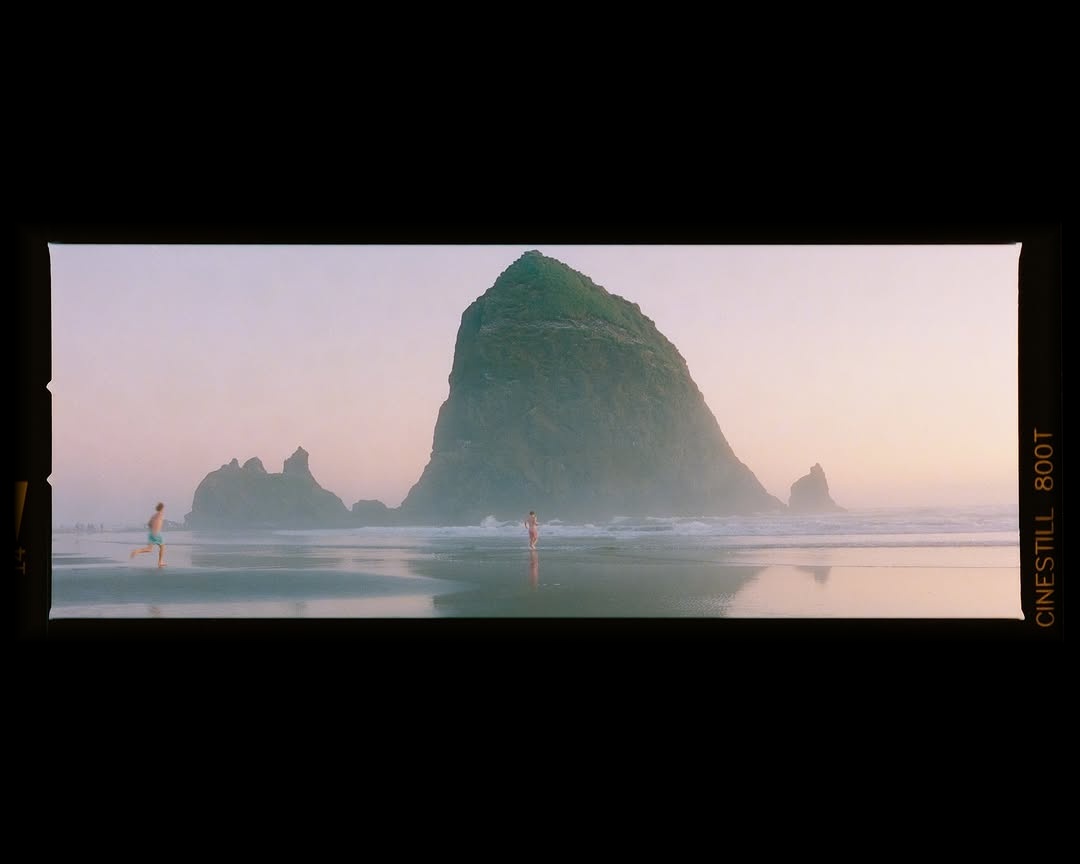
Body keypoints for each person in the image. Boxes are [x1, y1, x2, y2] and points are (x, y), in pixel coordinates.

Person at [131, 502, 167, 567]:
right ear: (162, 508)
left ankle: (137, 551)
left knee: (149, 549)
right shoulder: (160, 514)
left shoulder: (153, 515)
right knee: (162, 547)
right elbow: (159, 523)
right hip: (157, 534)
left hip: (151, 533)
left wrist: (153, 529)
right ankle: (160, 562)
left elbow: (149, 524)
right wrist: (157, 529)